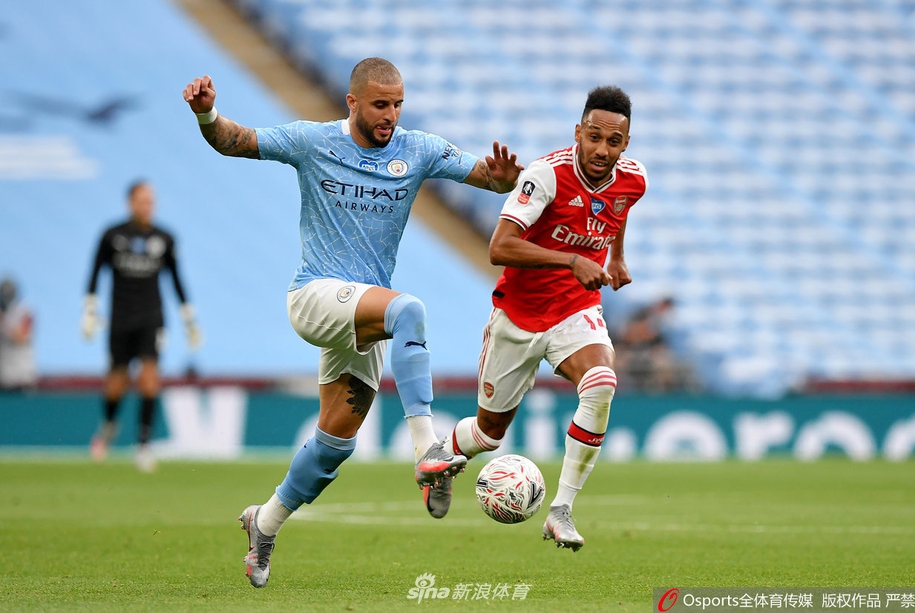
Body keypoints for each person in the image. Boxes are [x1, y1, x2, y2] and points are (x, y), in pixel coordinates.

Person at [182, 57, 522, 588]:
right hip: (316, 296)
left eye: (398, 104)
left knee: (335, 442)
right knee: (410, 309)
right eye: (381, 104)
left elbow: (486, 174)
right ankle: (427, 450)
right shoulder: (313, 141)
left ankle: (264, 523)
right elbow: (236, 140)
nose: (391, 115)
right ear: (353, 102)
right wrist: (208, 115)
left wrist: (501, 183)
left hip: (364, 315)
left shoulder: (418, 149)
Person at [445, 86, 648, 551]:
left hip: (575, 309)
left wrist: (615, 256)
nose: (602, 150)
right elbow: (499, 247)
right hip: (518, 316)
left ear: (626, 144)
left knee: (601, 383)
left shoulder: (634, 179)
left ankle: (561, 511)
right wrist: (571, 260)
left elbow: (618, 209)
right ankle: (442, 457)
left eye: (613, 142)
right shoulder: (546, 175)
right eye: (593, 137)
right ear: (578, 132)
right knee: (487, 433)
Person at [82, 180, 202, 472]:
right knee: (116, 383)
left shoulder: (165, 238)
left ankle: (144, 445)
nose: (146, 206)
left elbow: (176, 279)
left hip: (151, 318)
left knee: (149, 378)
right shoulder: (112, 235)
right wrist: (90, 310)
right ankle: (110, 423)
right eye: (141, 201)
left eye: (150, 201)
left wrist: (189, 319)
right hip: (120, 318)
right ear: (130, 203)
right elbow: (95, 272)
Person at [0, 277, 38, 391]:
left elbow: (22, 336)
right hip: (3, 377)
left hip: (22, 378)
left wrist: (3, 323)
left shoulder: (25, 312)